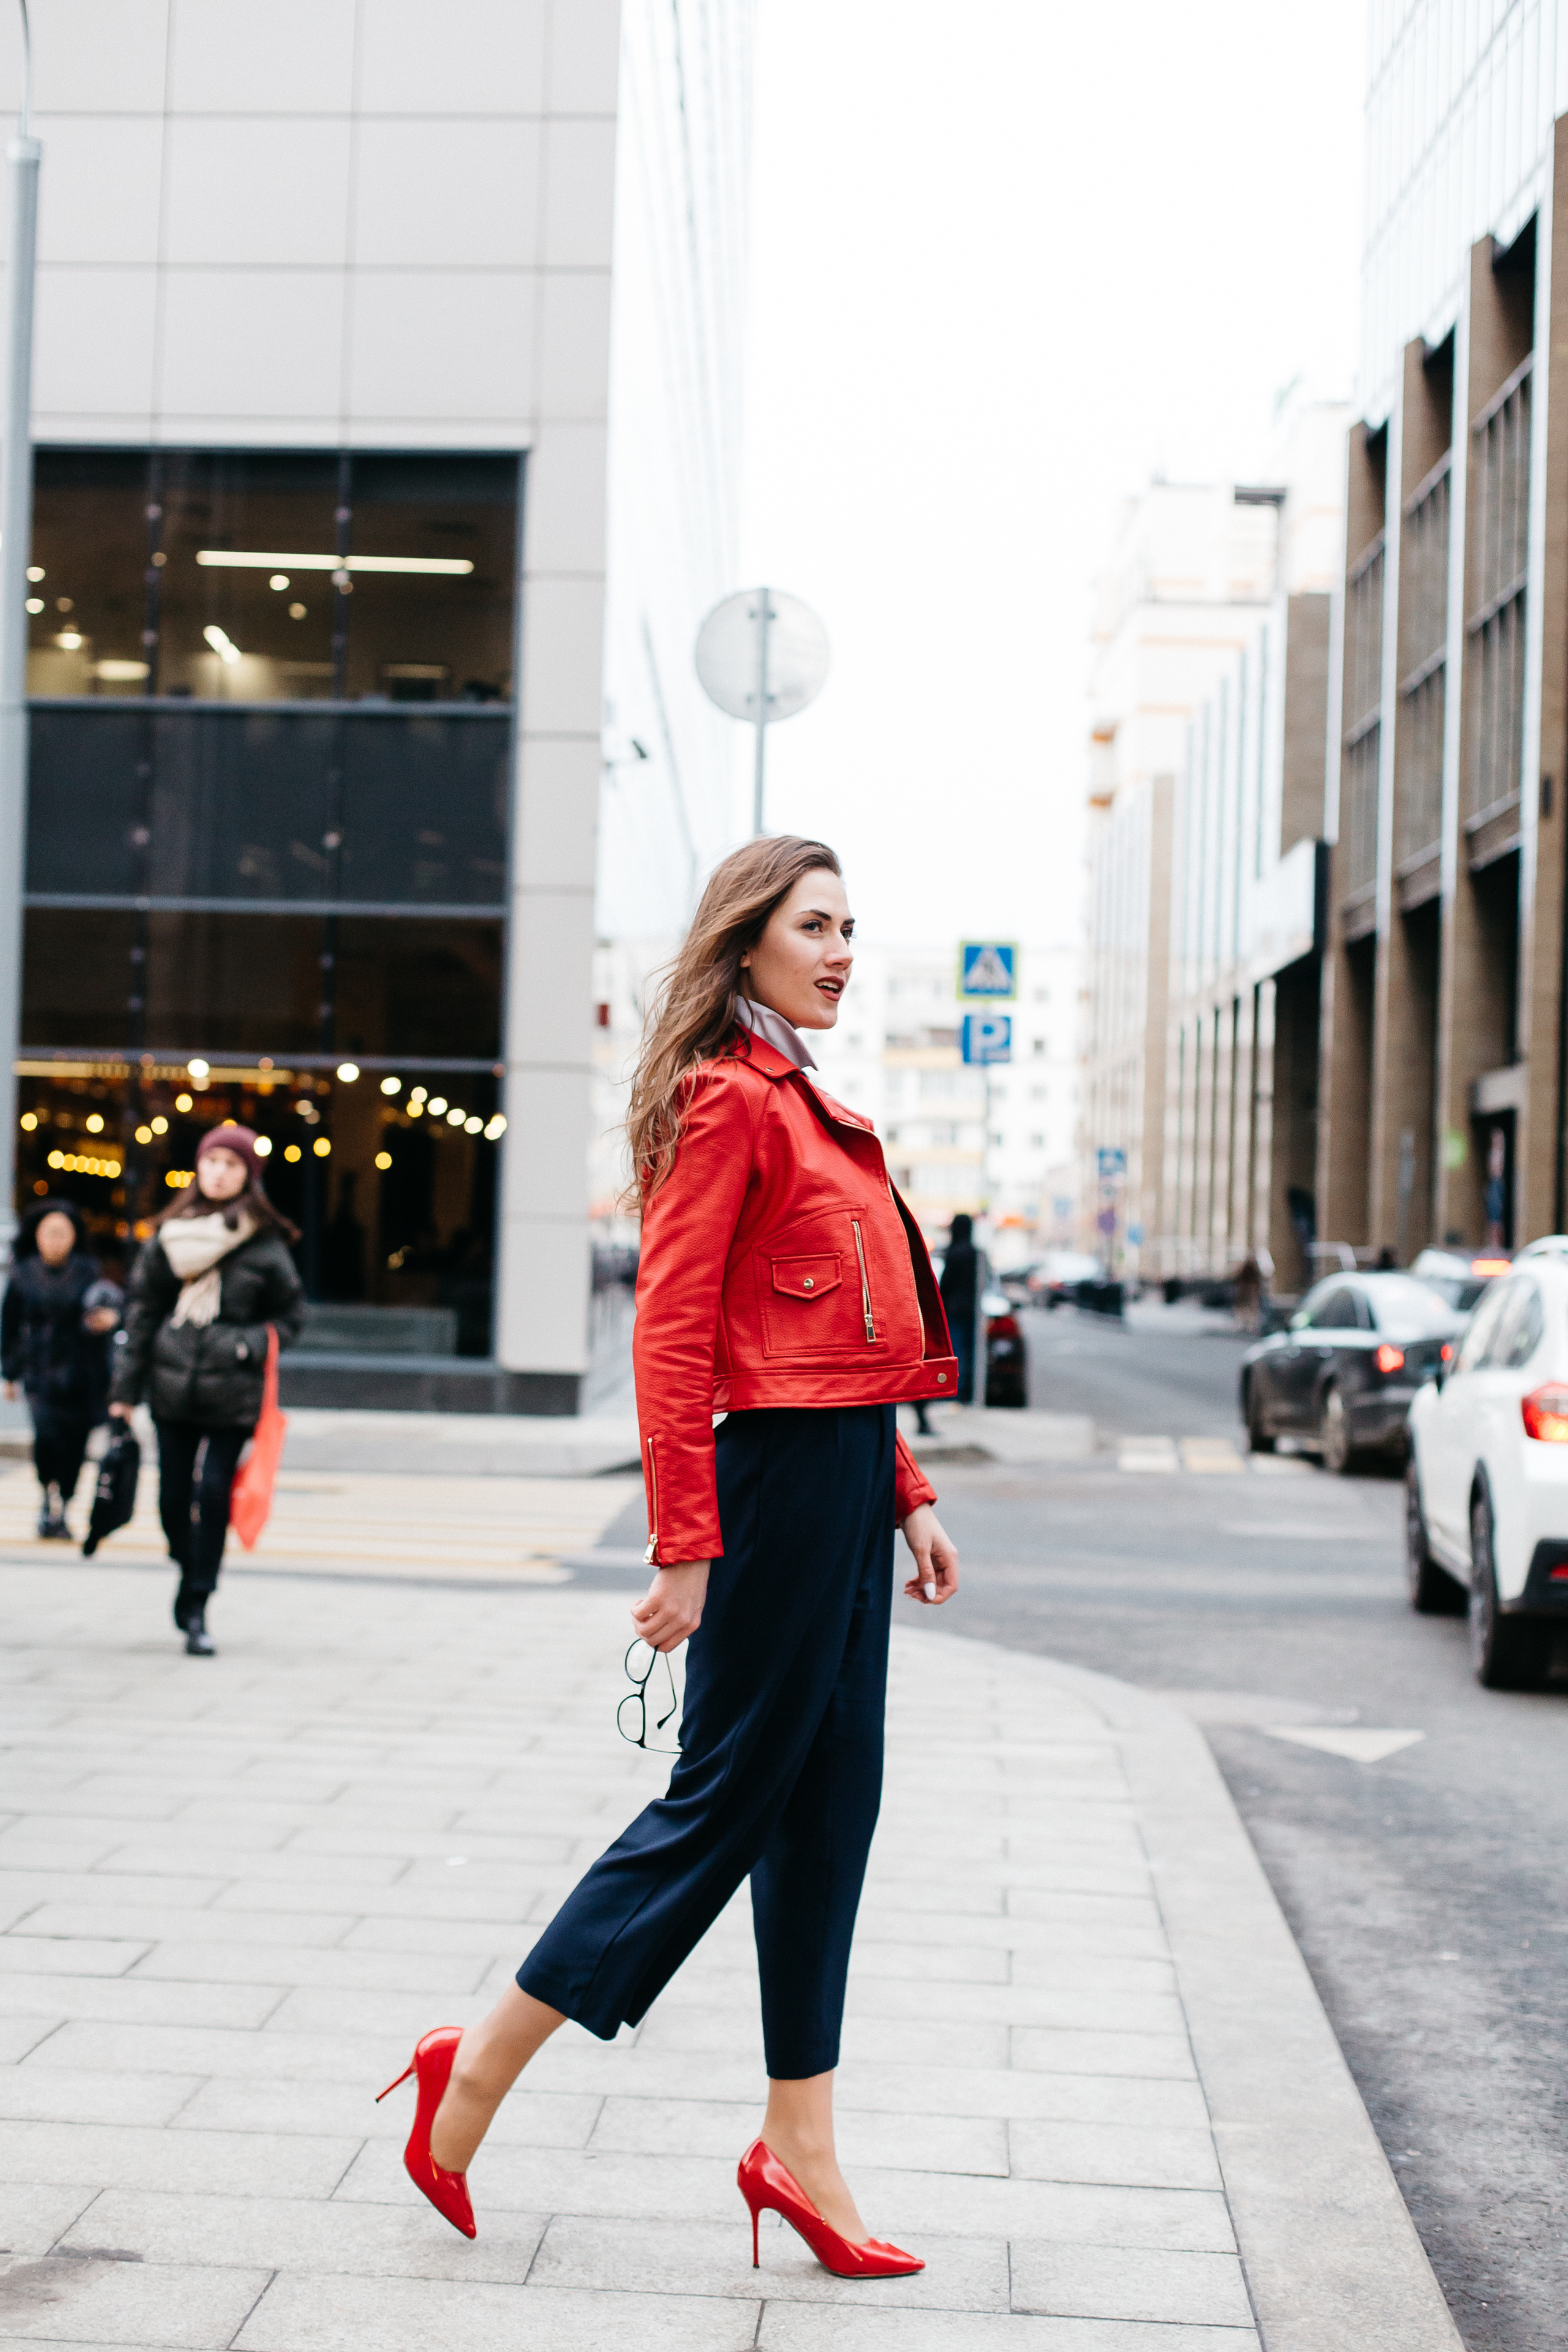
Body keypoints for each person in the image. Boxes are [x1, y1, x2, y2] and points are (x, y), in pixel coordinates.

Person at [376, 837, 962, 2278]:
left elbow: (839, 1348)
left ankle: (798, 2146)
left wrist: (903, 1492)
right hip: (771, 1495)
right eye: (813, 926)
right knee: (721, 1804)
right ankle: (473, 2070)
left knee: (831, 1809)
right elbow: (674, 1333)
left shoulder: (807, 1100)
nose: (839, 951)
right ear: (745, 940)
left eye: (848, 928)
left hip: (842, 1485)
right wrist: (684, 1544)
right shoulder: (728, 1100)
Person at [109, 1125, 304, 1656]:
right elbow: (142, 1314)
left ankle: (198, 1600)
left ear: (248, 1176)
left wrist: (248, 1345)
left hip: (232, 1392)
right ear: (199, 1167)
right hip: (171, 1386)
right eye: (212, 1161)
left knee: (214, 1493)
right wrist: (123, 1394)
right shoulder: (170, 1235)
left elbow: (291, 1315)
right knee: (173, 1497)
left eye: (232, 1165)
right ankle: (188, 1561)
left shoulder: (264, 1241)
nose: (219, 1173)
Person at [1, 1198, 120, 1539]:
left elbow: (108, 1311)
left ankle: (63, 1505)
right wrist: (9, 1374)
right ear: (36, 1235)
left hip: (81, 1374)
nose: (55, 1240)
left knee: (75, 1445)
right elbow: (9, 1326)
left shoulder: (89, 1271)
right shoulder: (23, 1273)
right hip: (39, 1372)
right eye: (49, 1232)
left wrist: (106, 1320)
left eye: (62, 1233)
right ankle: (46, 1496)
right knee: (47, 1438)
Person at [939, 1210, 979, 1402]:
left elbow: (946, 1283)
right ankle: (968, 1391)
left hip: (954, 1309)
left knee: (955, 1351)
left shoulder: (954, 1253)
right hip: (974, 1310)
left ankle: (953, 1390)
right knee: (971, 1351)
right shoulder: (975, 1253)